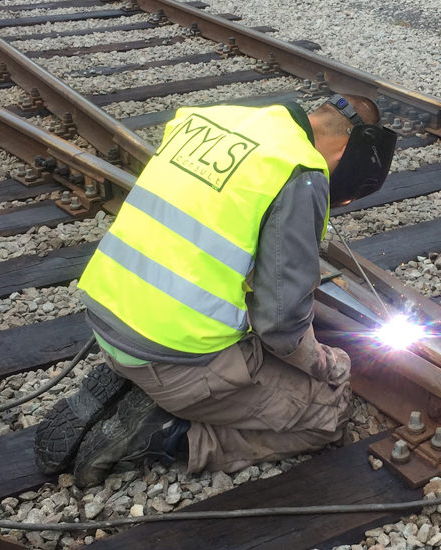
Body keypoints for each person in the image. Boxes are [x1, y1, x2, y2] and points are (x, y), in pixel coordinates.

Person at [33, 94, 396, 487]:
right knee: (328, 413)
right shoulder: (299, 168)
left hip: (109, 319)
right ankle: (171, 434)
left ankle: (143, 386)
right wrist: (324, 362)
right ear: (342, 149)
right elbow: (279, 325)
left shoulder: (212, 120)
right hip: (175, 356)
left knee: (259, 358)